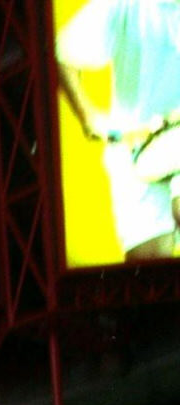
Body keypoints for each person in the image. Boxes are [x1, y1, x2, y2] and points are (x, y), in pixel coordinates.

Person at [56, 0, 180, 261]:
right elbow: (62, 55)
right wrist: (88, 117)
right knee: (149, 275)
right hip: (134, 156)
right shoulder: (122, 4)